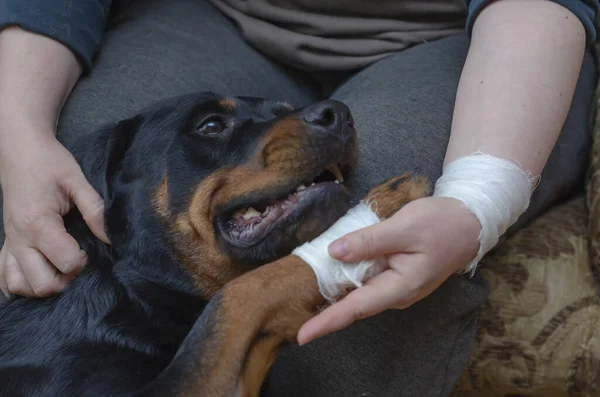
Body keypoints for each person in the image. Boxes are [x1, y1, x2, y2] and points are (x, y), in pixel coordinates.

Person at [0, 0, 597, 395]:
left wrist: (478, 198)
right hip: (210, 14)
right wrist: (19, 134)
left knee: (364, 279)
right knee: (72, 184)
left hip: (474, 31)